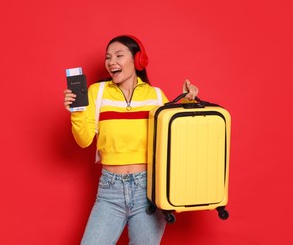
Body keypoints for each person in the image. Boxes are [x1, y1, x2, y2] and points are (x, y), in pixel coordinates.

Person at [63, 35, 199, 244]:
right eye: (108, 57)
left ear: (138, 60)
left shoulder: (155, 96)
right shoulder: (97, 93)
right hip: (110, 190)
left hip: (148, 190)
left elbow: (174, 139)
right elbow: (84, 141)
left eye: (119, 55)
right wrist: (77, 111)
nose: (111, 62)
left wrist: (187, 103)